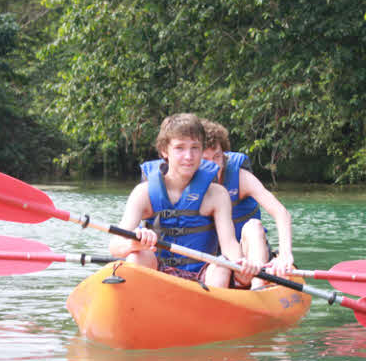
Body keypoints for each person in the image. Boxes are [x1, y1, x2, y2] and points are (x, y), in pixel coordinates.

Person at [110, 113, 261, 288]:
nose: (189, 156)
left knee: (222, 265)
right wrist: (134, 243)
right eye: (180, 148)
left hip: (202, 275)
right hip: (159, 274)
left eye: (195, 148)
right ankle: (138, 306)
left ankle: (211, 308)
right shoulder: (143, 194)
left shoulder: (217, 195)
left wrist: (241, 263)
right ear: (164, 151)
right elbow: (115, 247)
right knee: (137, 256)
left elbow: (229, 245)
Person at [200, 119, 294, 288]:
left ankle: (258, 286)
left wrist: (285, 254)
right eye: (205, 159)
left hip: (249, 255)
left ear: (224, 155)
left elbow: (281, 213)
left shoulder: (241, 178)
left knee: (253, 226)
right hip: (217, 261)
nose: (213, 166)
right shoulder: (187, 182)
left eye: (217, 157)